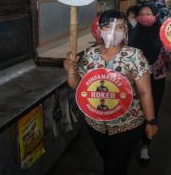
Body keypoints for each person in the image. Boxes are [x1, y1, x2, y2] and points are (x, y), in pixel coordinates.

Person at [63, 10, 158, 175]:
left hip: (126, 124)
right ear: (99, 30)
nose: (113, 32)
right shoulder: (89, 55)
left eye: (120, 27)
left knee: (113, 168)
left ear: (126, 30)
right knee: (109, 160)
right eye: (107, 26)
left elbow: (145, 92)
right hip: (95, 125)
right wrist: (71, 71)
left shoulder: (135, 57)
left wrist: (151, 122)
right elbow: (77, 87)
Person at [129, 3, 171, 164]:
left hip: (156, 78)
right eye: (142, 14)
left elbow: (167, 55)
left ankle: (145, 146)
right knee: (134, 110)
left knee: (152, 110)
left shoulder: (162, 34)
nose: (145, 16)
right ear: (137, 17)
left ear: (155, 15)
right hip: (133, 80)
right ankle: (131, 141)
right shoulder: (130, 35)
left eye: (149, 13)